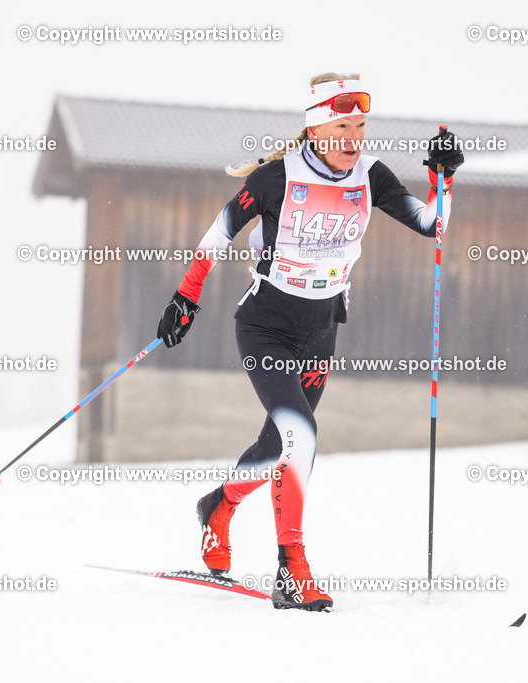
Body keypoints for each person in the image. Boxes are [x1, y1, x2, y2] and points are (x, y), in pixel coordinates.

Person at [157, 72, 464, 611]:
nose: (354, 138)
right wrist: (187, 296)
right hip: (265, 326)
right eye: (342, 126)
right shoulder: (279, 176)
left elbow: (432, 224)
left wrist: (442, 177)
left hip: (320, 331)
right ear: (318, 129)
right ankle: (291, 569)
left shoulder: (371, 175)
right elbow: (219, 231)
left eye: (361, 126)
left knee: (279, 445)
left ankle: (219, 506)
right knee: (300, 434)